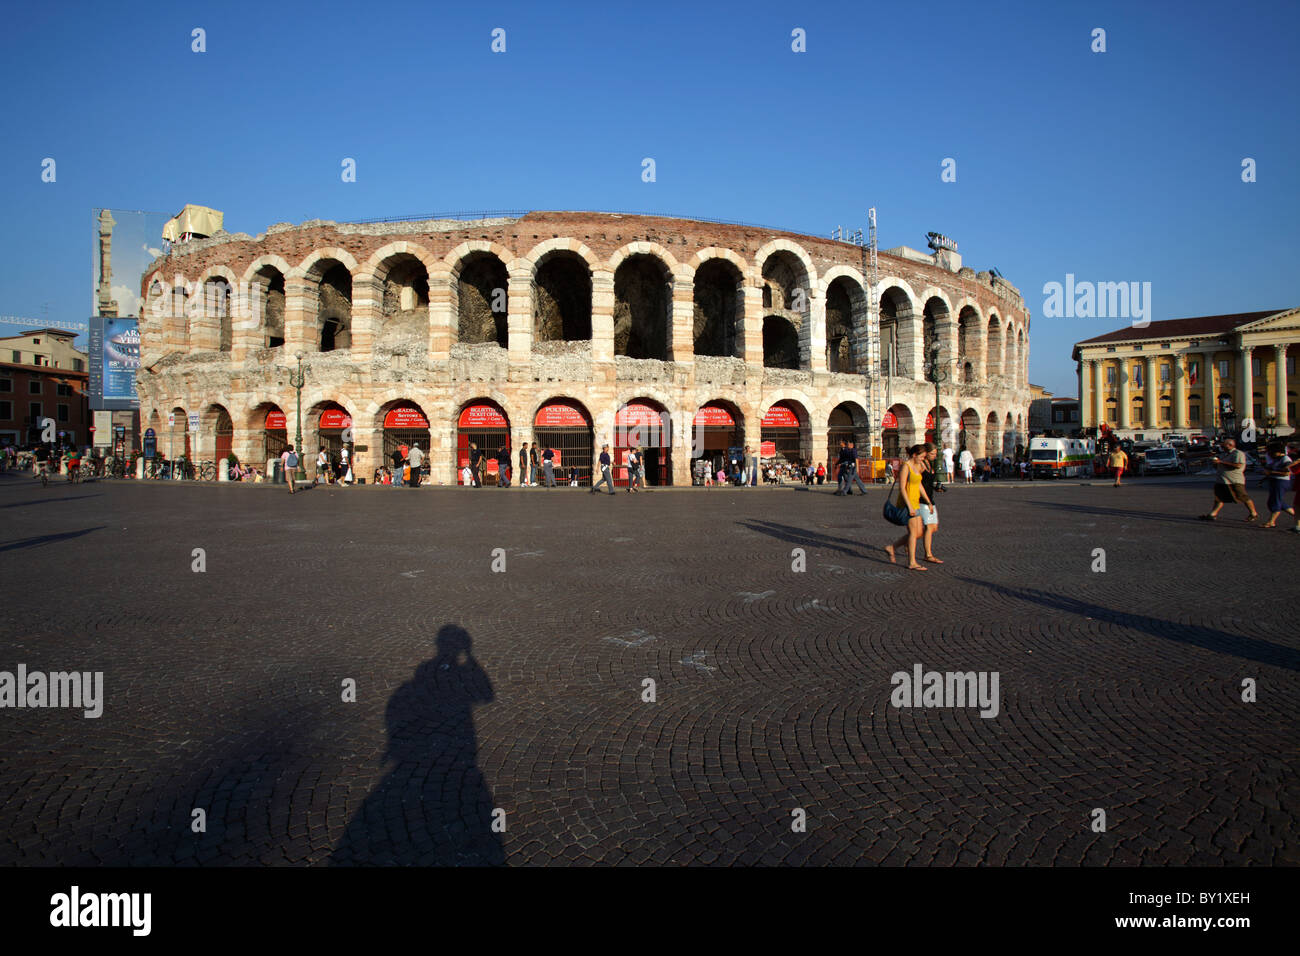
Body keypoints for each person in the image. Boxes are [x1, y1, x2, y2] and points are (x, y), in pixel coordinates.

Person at [883, 444, 933, 571]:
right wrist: (909, 506)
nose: (923, 459)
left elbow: (919, 485)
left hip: (916, 501)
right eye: (921, 457)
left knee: (919, 533)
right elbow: (902, 488)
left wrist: (928, 501)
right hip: (907, 502)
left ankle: (892, 547)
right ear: (914, 455)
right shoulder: (906, 466)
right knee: (913, 533)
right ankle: (912, 562)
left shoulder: (918, 466)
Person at [1200, 436, 1258, 522]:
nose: (1222, 447)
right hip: (1222, 480)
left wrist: (1221, 462)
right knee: (1219, 498)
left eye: (1224, 445)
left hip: (1234, 480)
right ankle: (1213, 514)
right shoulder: (1224, 454)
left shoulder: (1238, 453)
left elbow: (1238, 465)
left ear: (1230, 445)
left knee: (1243, 496)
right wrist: (1216, 464)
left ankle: (1253, 513)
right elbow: (1220, 466)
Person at [917, 443, 944, 564]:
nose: (934, 456)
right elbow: (918, 484)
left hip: (930, 498)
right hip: (923, 500)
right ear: (926, 453)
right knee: (929, 527)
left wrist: (936, 488)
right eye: (932, 454)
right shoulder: (921, 465)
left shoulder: (929, 464)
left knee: (934, 527)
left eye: (935, 454)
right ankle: (928, 554)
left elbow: (927, 483)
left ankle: (906, 542)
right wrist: (927, 501)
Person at [1260, 440, 1294, 529]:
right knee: (1276, 501)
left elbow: (1287, 472)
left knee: (1275, 502)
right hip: (1275, 481)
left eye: (1271, 452)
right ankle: (1296, 516)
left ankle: (1271, 521)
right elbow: (1269, 467)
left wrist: (1271, 472)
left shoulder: (1286, 459)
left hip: (1281, 482)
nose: (1269, 454)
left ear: (1278, 452)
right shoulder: (1276, 459)